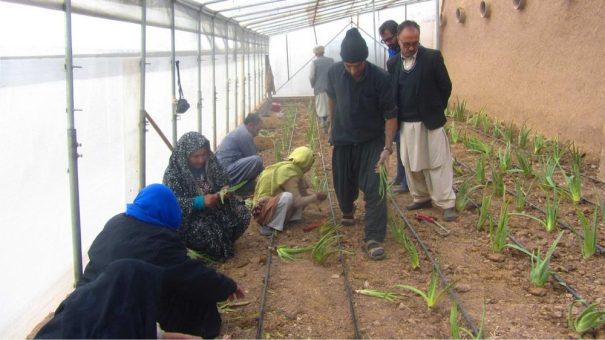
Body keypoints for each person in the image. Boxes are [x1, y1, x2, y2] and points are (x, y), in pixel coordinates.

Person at [66, 184, 243, 338]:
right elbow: (191, 275)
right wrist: (226, 286)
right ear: (168, 211)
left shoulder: (116, 222)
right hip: (120, 316)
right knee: (199, 303)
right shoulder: (157, 241)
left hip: (81, 304)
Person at [326, 28, 398, 260]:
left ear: (365, 59)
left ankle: (374, 237)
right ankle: (348, 209)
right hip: (343, 138)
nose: (354, 69)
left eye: (358, 64)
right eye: (349, 65)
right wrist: (331, 122)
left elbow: (390, 115)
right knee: (342, 182)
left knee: (375, 186)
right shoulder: (334, 72)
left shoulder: (381, 78)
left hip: (371, 140)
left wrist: (387, 147)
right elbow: (331, 96)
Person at [387, 20, 457, 221]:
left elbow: (446, 86)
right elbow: (393, 91)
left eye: (414, 43)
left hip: (430, 121)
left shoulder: (432, 58)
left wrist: (435, 108)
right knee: (410, 163)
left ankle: (446, 202)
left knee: (438, 162)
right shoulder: (393, 64)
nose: (410, 47)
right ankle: (421, 197)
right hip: (406, 123)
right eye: (406, 44)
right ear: (398, 41)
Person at [163, 132, 251, 261]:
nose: (201, 160)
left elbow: (224, 181)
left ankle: (224, 243)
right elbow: (173, 204)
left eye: (204, 154)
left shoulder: (211, 163)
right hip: (192, 219)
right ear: (185, 156)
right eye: (195, 156)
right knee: (205, 231)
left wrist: (224, 190)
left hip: (215, 210)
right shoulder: (174, 174)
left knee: (242, 214)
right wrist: (200, 202)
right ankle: (213, 249)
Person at [252, 146, 327, 236]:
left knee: (296, 193)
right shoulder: (289, 172)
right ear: (306, 162)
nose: (310, 166)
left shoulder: (294, 170)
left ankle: (290, 219)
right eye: (310, 162)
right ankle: (269, 225)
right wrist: (316, 196)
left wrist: (314, 197)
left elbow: (303, 193)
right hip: (262, 210)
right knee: (288, 197)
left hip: (270, 204)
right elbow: (297, 202)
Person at [379, 19, 408, 194]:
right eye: (385, 40)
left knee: (406, 145)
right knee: (398, 142)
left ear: (398, 34)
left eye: (390, 39)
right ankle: (399, 176)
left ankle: (407, 182)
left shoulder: (406, 52)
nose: (388, 43)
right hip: (396, 104)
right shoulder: (392, 51)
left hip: (407, 106)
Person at [216, 113, 264, 196]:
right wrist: (268, 174)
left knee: (254, 167)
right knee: (257, 161)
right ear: (250, 125)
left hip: (226, 169)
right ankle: (239, 190)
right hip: (226, 172)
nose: (257, 133)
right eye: (257, 130)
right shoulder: (243, 134)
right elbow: (253, 158)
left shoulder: (241, 131)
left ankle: (244, 189)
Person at [309, 45, 335, 128]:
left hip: (320, 88)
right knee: (331, 106)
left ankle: (323, 122)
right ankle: (330, 121)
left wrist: (313, 84)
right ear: (323, 52)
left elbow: (311, 76)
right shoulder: (331, 61)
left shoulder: (314, 63)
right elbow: (335, 72)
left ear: (315, 54)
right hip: (331, 87)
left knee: (321, 107)